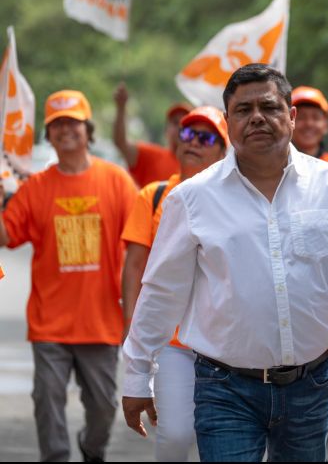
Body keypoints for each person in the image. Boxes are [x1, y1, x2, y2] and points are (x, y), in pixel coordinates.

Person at [121, 64, 328, 462]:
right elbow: (162, 291)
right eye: (243, 110)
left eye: (268, 107)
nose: (256, 118)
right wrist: (137, 374)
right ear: (228, 122)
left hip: (312, 385)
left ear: (291, 116)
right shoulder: (192, 199)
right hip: (224, 388)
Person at [0, 90, 137, 462]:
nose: (65, 130)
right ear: (48, 133)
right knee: (47, 400)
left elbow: (140, 247)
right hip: (50, 324)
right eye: (57, 124)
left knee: (103, 408)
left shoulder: (117, 181)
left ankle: (92, 449)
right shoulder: (35, 188)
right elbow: (6, 236)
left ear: (87, 129)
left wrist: (133, 314)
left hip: (101, 322)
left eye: (72, 122)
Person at [120, 106, 229, 461]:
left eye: (205, 137)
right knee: (176, 435)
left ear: (224, 151)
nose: (193, 142)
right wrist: (133, 329)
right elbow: (134, 267)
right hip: (173, 341)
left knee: (222, 436)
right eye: (187, 134)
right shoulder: (154, 196)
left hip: (224, 343)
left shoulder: (235, 201)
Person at [113, 82, 192, 187]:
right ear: (166, 130)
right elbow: (121, 142)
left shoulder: (196, 165)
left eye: (185, 124)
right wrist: (121, 108)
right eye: (175, 122)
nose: (179, 128)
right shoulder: (151, 155)